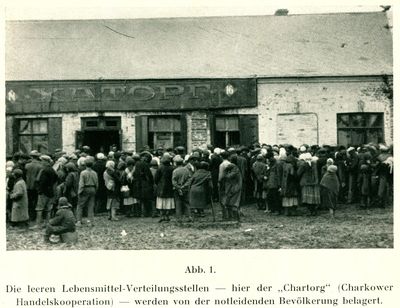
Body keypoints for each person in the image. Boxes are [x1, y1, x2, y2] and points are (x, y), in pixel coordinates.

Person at [35, 155, 58, 227]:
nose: (41, 162)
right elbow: (56, 178)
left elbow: (42, 182)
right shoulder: (52, 169)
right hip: (50, 191)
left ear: (45, 161)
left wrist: (40, 190)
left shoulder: (44, 170)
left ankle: (38, 224)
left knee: (39, 208)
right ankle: (47, 223)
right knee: (48, 209)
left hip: (44, 192)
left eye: (42, 161)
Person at [76, 156, 98, 227]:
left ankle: (79, 221)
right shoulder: (94, 173)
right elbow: (97, 183)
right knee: (91, 206)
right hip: (93, 188)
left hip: (85, 188)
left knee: (80, 205)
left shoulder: (83, 173)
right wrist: (95, 189)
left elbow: (81, 183)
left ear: (85, 165)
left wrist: (79, 191)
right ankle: (90, 222)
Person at [154, 154, 175, 222]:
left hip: (161, 187)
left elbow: (156, 178)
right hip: (169, 187)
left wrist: (157, 184)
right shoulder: (172, 168)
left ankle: (162, 216)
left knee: (161, 202)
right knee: (168, 202)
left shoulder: (160, 168)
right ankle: (167, 216)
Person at [221, 154, 242, 222]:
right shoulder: (234, 168)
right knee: (229, 204)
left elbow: (228, 176)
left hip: (235, 188)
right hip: (232, 188)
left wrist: (224, 173)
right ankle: (231, 217)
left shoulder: (235, 169)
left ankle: (236, 219)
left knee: (234, 204)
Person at [172, 155, 192, 222]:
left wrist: (178, 188)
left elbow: (173, 181)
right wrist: (184, 186)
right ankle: (188, 216)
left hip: (177, 189)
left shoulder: (175, 171)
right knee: (186, 202)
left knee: (178, 203)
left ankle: (179, 218)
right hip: (185, 189)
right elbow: (189, 180)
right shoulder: (186, 170)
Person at [24, 150, 42, 221]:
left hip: (28, 185)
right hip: (36, 186)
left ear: (31, 157)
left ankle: (29, 216)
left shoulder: (27, 165)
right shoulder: (40, 166)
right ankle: (34, 216)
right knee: (36, 201)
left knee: (29, 201)